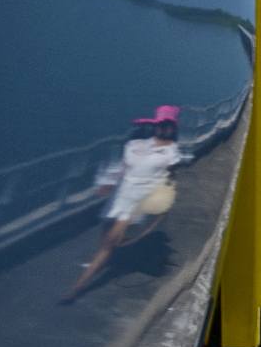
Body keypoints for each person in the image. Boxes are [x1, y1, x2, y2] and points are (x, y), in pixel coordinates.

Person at [62, 105, 182, 303]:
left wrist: (163, 204)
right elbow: (124, 167)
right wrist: (109, 183)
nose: (165, 128)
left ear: (173, 128)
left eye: (168, 124)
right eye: (162, 124)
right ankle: (105, 259)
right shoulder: (137, 144)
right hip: (119, 196)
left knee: (108, 242)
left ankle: (77, 288)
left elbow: (170, 180)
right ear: (156, 125)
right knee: (106, 237)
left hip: (138, 201)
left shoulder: (172, 153)